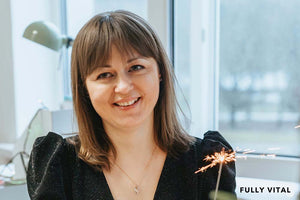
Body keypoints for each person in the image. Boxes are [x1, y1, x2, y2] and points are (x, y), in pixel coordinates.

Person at [27, 10, 236, 200]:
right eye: (105, 74)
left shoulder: (208, 162)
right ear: (85, 88)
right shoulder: (59, 166)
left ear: (160, 73)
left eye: (136, 67)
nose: (124, 87)